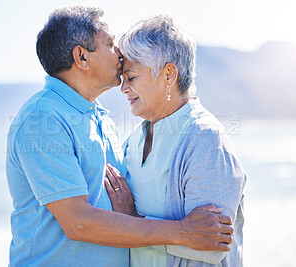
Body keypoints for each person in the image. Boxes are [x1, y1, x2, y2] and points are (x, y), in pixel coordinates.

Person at [6, 6, 234, 267]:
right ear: (81, 57)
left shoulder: (100, 117)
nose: (119, 54)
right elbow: (78, 222)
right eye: (110, 44)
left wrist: (133, 215)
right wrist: (182, 231)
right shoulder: (42, 119)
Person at [104, 15, 246, 266]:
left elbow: (210, 248)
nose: (123, 88)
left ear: (169, 74)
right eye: (123, 78)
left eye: (132, 77)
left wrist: (130, 219)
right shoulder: (133, 142)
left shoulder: (205, 139)